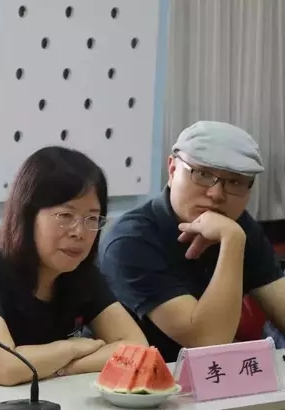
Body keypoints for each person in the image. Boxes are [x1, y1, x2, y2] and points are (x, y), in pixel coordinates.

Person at [0, 146, 148, 395]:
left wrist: (63, 367)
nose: (80, 232)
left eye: (92, 219)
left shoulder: (80, 273)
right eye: (65, 215)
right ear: (28, 216)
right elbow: (2, 368)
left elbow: (137, 348)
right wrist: (72, 348)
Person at [99, 120, 285, 362]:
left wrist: (233, 235)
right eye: (203, 174)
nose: (216, 194)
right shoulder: (130, 240)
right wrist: (232, 240)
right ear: (172, 170)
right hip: (137, 377)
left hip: (214, 376)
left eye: (235, 182)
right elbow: (207, 341)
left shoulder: (238, 224)